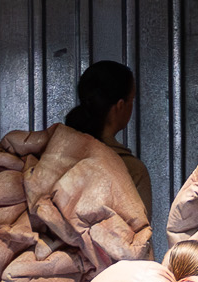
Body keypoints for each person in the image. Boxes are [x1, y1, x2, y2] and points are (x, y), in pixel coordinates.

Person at [66, 60, 156, 218]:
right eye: (131, 100)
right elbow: (140, 230)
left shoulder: (54, 157)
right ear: (120, 105)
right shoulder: (131, 169)